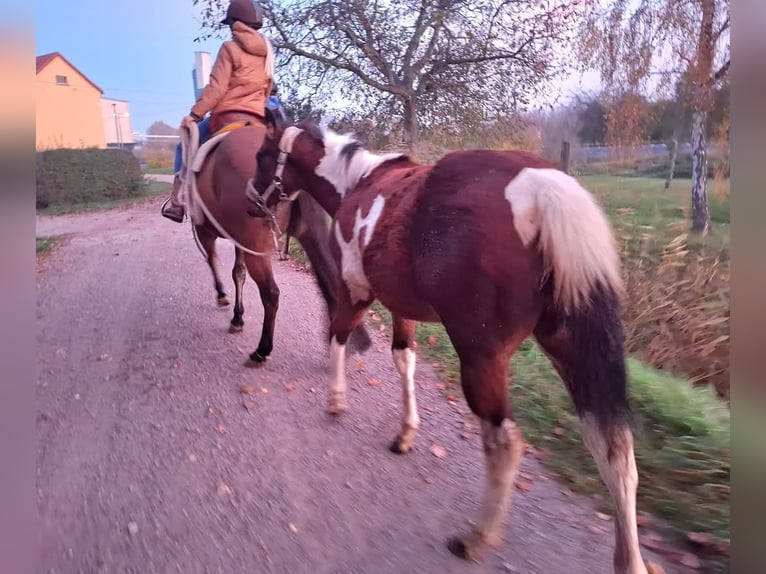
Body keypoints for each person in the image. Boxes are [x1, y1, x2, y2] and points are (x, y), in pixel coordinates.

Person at [161, 0, 274, 223]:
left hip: (229, 115)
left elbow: (217, 88)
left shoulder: (229, 48)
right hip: (258, 118)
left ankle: (176, 202)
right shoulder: (268, 51)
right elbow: (268, 87)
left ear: (233, 23)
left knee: (181, 147)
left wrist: (194, 116)